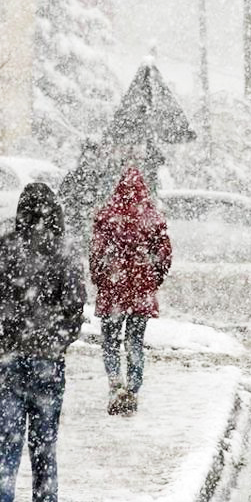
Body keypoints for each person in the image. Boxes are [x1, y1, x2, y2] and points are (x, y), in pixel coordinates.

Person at [0, 183, 86, 502]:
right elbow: (75, 305)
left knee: (6, 448)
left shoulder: (0, 248)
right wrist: (57, 338)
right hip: (46, 362)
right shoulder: (63, 253)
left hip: (4, 360)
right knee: (44, 451)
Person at [88, 165, 172, 416]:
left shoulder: (107, 216)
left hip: (113, 289)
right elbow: (164, 255)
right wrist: (152, 278)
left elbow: (96, 253)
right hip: (140, 289)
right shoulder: (152, 218)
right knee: (135, 341)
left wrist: (101, 280)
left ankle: (115, 383)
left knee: (110, 342)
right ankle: (133, 389)